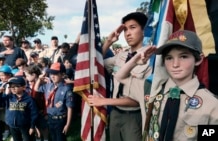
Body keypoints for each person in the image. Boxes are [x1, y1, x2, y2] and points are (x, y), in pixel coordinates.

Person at [142, 30, 218, 140]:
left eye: (183, 56)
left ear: (198, 59)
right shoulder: (153, 91)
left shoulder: (211, 105)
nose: (175, 64)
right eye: (169, 58)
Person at [87, 12, 149, 141]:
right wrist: (108, 42)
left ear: (144, 30)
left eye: (132, 27)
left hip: (134, 115)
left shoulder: (150, 58)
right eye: (125, 29)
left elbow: (140, 99)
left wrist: (104, 101)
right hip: (115, 113)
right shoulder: (121, 56)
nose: (127, 33)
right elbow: (95, 65)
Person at [35, 62, 73, 141]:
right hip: (50, 118)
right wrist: (39, 79)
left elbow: (70, 108)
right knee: (52, 138)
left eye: (55, 74)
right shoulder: (48, 86)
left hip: (60, 120)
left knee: (60, 139)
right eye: (51, 73)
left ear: (62, 75)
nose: (52, 76)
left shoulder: (66, 89)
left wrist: (68, 124)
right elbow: (36, 89)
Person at [0, 76, 38, 141]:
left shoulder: (29, 100)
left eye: (16, 86)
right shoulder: (8, 98)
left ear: (23, 87)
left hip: (25, 125)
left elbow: (34, 114)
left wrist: (32, 126)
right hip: (12, 125)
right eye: (11, 86)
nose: (13, 88)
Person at [25, 64, 48, 141]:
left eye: (27, 76)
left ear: (34, 75)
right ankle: (38, 138)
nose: (26, 78)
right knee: (36, 126)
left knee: (43, 127)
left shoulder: (43, 84)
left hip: (41, 111)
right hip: (33, 111)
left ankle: (45, 139)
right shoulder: (28, 85)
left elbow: (36, 94)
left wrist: (45, 112)